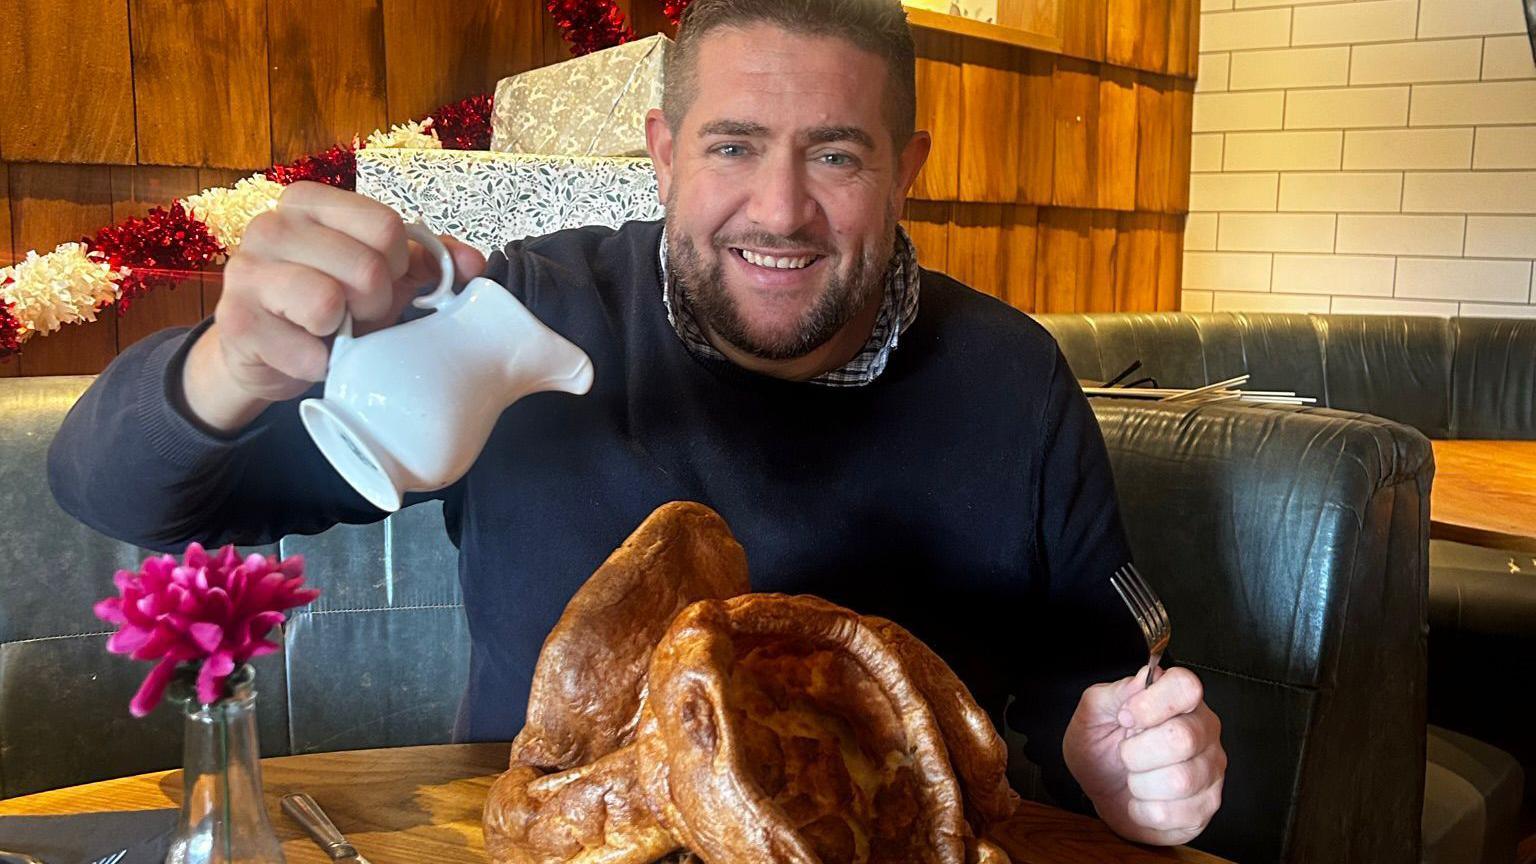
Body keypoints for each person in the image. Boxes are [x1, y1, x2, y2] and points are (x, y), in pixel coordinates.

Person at [49, 0, 1225, 847]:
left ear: (906, 168)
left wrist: (1113, 760)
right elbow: (129, 495)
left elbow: (1095, 681)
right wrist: (232, 361)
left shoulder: (1013, 382)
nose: (780, 208)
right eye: (732, 146)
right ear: (662, 156)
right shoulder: (519, 316)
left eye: (836, 154)